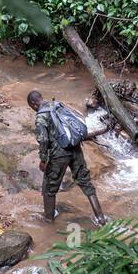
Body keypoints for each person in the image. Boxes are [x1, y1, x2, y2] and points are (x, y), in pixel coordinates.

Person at [28, 90, 108, 226]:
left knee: (49, 189)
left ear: (33, 104)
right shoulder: (57, 104)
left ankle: (48, 222)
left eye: (31, 107)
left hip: (58, 154)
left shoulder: (41, 116)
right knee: (85, 182)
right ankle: (101, 219)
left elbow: (44, 140)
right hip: (75, 148)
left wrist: (43, 160)